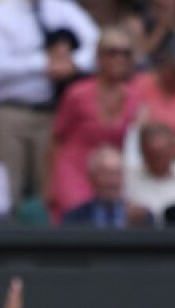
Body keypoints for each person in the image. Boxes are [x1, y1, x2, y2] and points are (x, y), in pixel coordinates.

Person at [0, 0, 99, 206]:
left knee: (47, 189)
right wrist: (44, 63)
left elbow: (97, 44)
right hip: (11, 112)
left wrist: (73, 63)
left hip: (51, 114)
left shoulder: (63, 9)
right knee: (7, 190)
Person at [48, 27, 139, 222]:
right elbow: (57, 140)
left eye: (125, 53)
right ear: (99, 57)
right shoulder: (77, 93)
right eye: (112, 52)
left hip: (111, 174)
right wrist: (50, 184)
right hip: (73, 171)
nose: (119, 59)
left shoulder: (135, 97)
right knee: (78, 221)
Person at [63, 146, 155, 227]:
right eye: (106, 174)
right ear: (92, 178)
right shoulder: (74, 218)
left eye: (117, 174)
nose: (112, 181)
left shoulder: (142, 217)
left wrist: (135, 226)